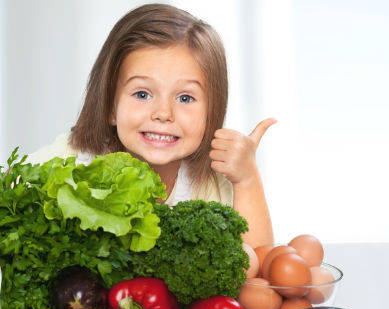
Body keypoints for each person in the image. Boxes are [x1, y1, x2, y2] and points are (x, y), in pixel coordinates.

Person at [28, 3, 274, 248]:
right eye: (143, 94)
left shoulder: (209, 184)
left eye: (185, 98)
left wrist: (247, 180)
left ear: (212, 112)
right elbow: (4, 197)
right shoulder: (69, 161)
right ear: (110, 107)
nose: (163, 113)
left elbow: (257, 264)